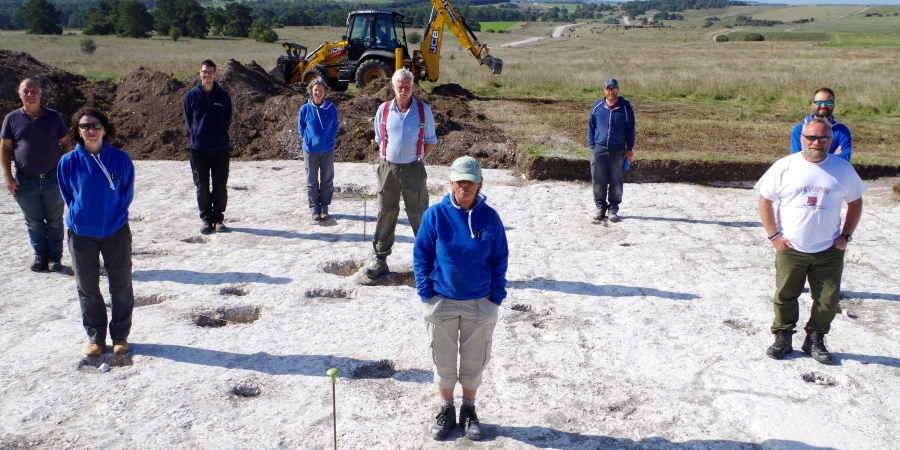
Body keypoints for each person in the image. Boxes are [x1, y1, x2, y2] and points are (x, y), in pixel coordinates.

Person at [755, 117, 865, 365]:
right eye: (811, 138)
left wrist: (845, 236)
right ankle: (783, 337)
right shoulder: (785, 166)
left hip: (829, 249)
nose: (817, 142)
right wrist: (774, 236)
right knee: (785, 295)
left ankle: (815, 339)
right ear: (801, 139)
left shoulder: (843, 169)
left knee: (827, 301)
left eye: (823, 138)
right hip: (791, 247)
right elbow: (765, 200)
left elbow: (856, 202)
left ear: (830, 140)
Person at [413, 156, 508, 441]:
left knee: (473, 363)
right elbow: (421, 256)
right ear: (450, 182)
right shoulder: (434, 216)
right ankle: (446, 410)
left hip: (480, 302)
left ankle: (468, 411)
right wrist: (426, 294)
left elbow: (500, 258)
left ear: (480, 183)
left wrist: (495, 298)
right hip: (441, 300)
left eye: (470, 181)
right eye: (459, 180)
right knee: (442, 363)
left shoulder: (490, 217)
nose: (464, 186)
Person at [58, 107, 135, 357]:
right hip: (82, 234)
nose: (90, 130)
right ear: (77, 132)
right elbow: (69, 196)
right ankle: (95, 337)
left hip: (115, 230)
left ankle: (120, 335)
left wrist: (113, 214)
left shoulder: (121, 159)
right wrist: (83, 214)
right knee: (87, 287)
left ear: (104, 128)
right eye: (85, 126)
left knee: (121, 285)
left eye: (95, 125)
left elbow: (126, 192)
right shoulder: (68, 162)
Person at [365, 68, 437, 278]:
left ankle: (428, 262)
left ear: (413, 86)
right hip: (388, 169)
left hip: (413, 169)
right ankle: (380, 259)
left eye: (407, 86)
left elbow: (431, 141)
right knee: (386, 211)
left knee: (419, 213)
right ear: (393, 87)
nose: (404, 90)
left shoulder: (424, 110)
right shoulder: (383, 110)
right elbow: (380, 139)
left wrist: (418, 160)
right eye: (400, 87)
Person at [1, 79, 72, 272]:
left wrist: (65, 171)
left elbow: (66, 143)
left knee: (55, 219)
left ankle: (55, 258)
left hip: (53, 178)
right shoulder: (12, 119)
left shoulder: (54, 117)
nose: (30, 95)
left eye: (34, 91)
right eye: (26, 92)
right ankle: (40, 257)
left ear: (41, 94)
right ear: (20, 95)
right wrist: (8, 177)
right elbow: (5, 148)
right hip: (25, 180)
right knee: (33, 221)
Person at [183, 59, 233, 234]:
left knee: (220, 184)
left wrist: (217, 135)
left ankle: (218, 219)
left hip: (220, 148)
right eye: (205, 72)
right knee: (202, 185)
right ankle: (206, 219)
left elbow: (227, 119)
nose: (207, 75)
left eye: (211, 72)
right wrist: (199, 135)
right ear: (200, 73)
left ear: (215, 74)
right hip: (199, 150)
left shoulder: (224, 96)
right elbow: (190, 120)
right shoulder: (191, 96)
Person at [587, 78, 634, 223]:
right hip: (599, 150)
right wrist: (592, 146)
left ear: (618, 90)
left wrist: (629, 149)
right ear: (604, 90)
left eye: (613, 89)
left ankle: (613, 209)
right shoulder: (597, 106)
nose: (611, 91)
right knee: (598, 181)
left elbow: (630, 129)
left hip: (618, 150)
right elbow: (591, 127)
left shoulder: (625, 107)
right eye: (608, 89)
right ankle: (600, 208)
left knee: (616, 181)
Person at [298, 77, 339, 221]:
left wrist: (329, 138)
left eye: (321, 90)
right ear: (311, 91)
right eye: (316, 90)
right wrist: (308, 140)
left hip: (327, 150)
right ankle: (314, 208)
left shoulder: (331, 108)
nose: (318, 92)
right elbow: (301, 127)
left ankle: (324, 208)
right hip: (310, 151)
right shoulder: (305, 109)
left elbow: (335, 125)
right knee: (312, 180)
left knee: (327, 180)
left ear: (325, 92)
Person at [791, 87, 852, 162]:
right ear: (813, 105)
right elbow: (797, 159)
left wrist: (814, 156)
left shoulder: (842, 131)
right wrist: (834, 157)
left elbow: (845, 159)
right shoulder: (799, 129)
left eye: (828, 102)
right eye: (819, 103)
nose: (823, 106)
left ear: (833, 105)